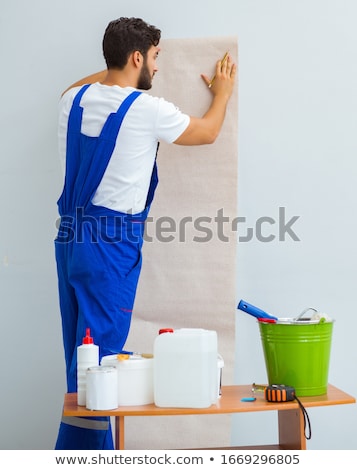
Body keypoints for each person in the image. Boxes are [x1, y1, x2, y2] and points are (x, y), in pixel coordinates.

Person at [54, 17, 236, 450]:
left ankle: (76, 453)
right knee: (99, 369)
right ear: (137, 57)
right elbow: (208, 132)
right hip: (110, 246)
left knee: (81, 362)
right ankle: (86, 457)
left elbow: (91, 82)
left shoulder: (71, 100)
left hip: (69, 240)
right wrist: (223, 92)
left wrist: (121, 66)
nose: (157, 68)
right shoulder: (148, 109)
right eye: (154, 57)